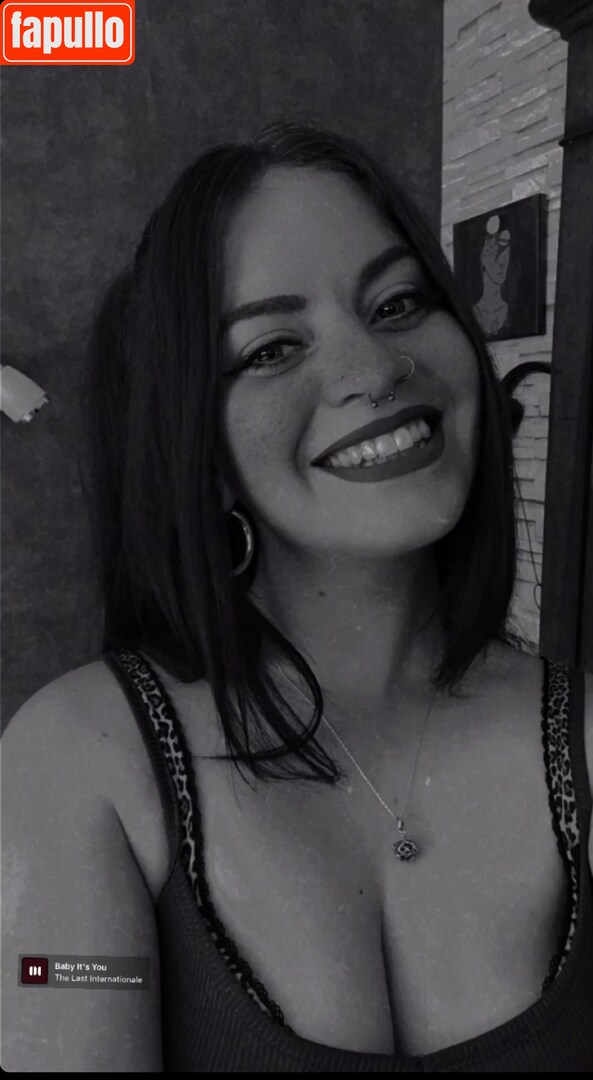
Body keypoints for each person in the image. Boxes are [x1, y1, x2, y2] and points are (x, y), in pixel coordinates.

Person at [2, 121, 593, 1073]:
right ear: (197, 449)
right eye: (273, 349)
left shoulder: (582, 738)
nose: (375, 369)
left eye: (398, 303)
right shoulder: (79, 762)